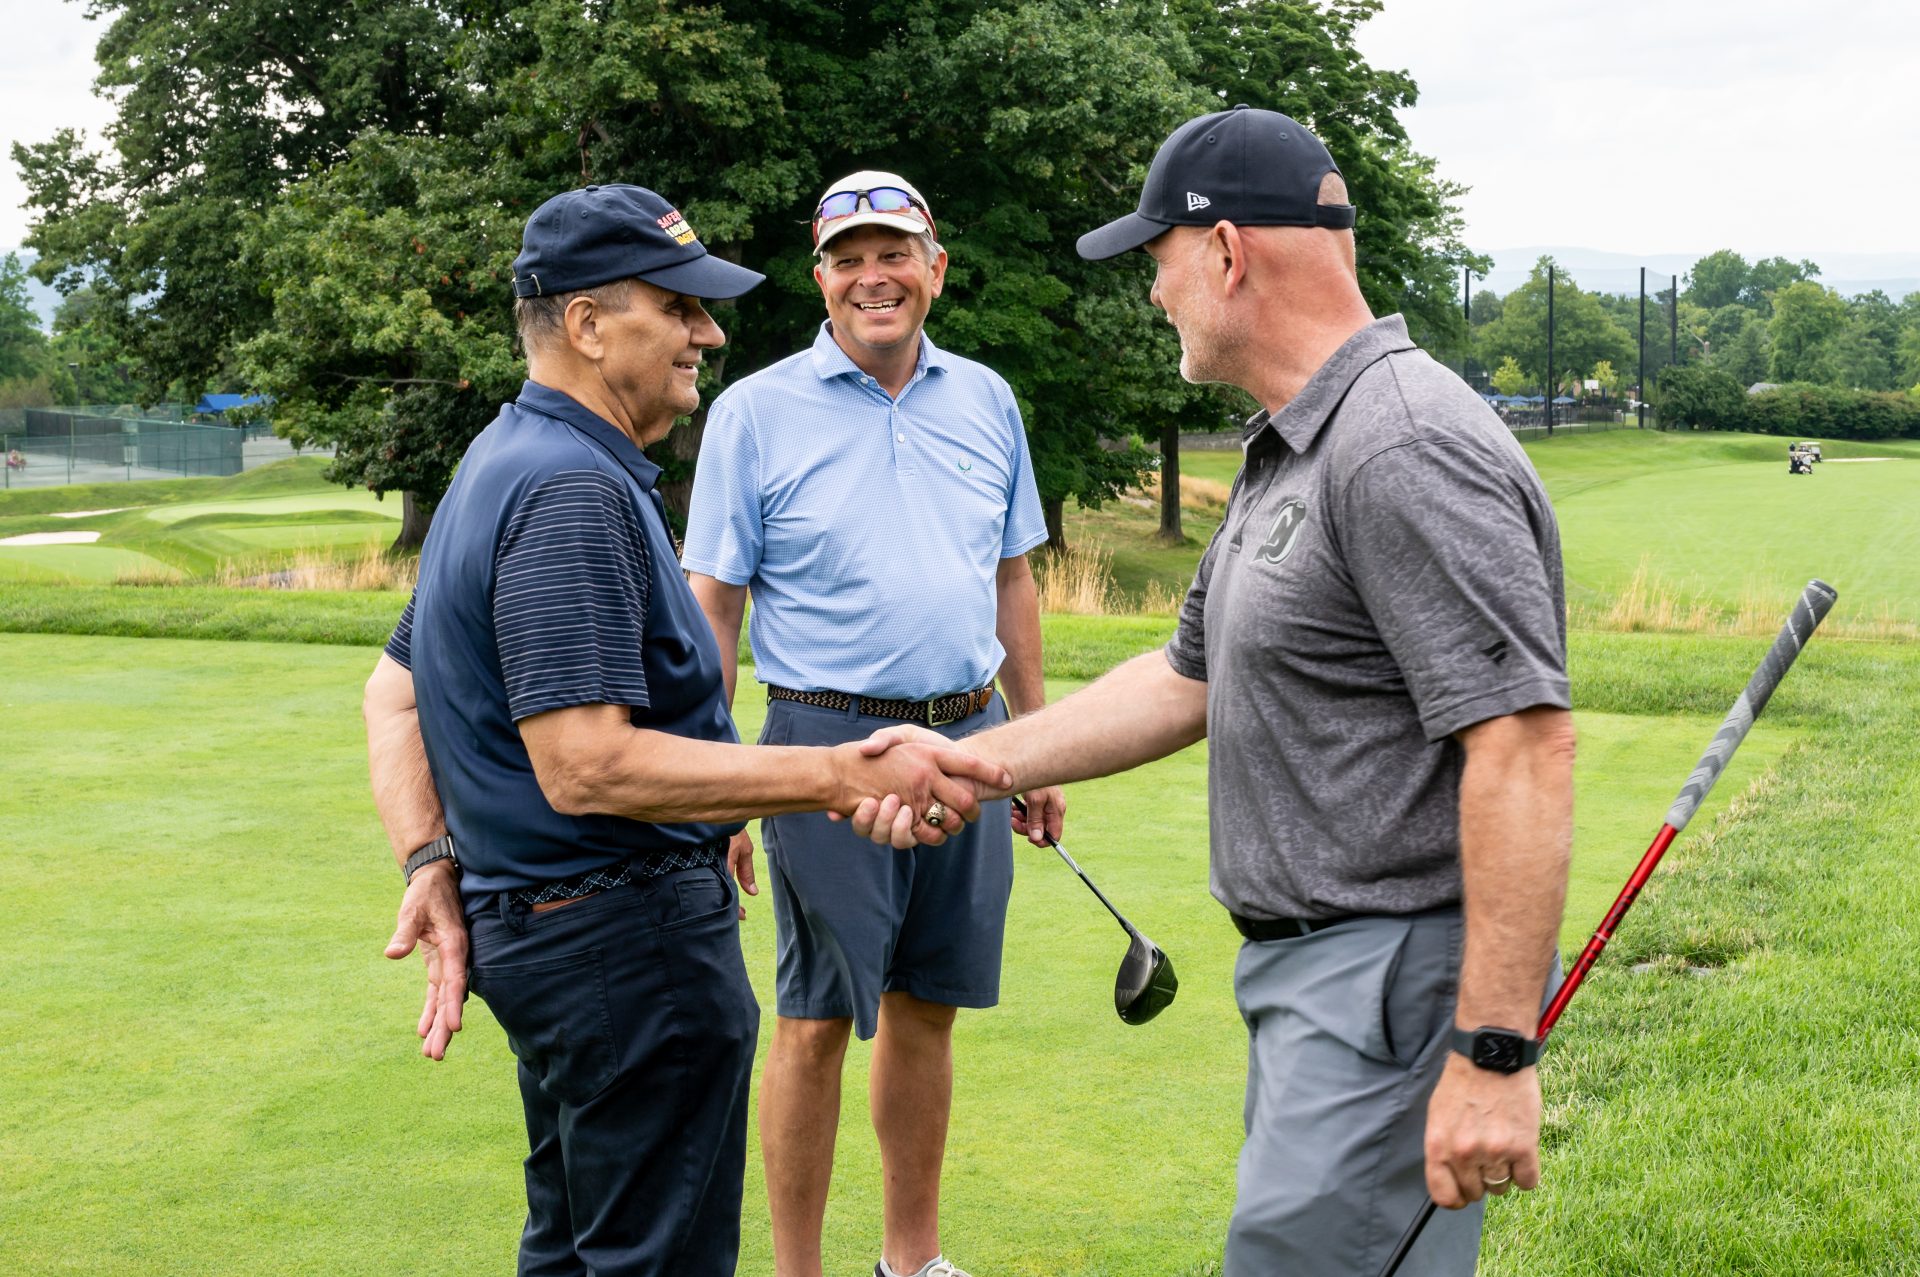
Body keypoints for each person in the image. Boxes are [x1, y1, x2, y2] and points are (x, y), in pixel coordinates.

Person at [852, 107, 1575, 1276]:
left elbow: (1524, 746)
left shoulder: (1400, 442)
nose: (1154, 293)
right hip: (1318, 987)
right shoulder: (1293, 444)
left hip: (1387, 984)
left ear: (1228, 251)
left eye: (1160, 259)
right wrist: (983, 762)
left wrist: (1493, 1051)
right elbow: (1186, 675)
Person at [360, 183, 1008, 1277]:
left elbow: (391, 692)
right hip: (624, 953)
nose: (707, 333)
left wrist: (429, 858)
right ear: (586, 323)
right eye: (678, 307)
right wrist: (834, 775)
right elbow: (585, 764)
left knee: (575, 1253)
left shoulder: (504, 456)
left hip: (559, 948)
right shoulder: (570, 489)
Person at [682, 170, 1064, 1277]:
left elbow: (1013, 579)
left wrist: (1036, 745)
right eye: (847, 260)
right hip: (822, 748)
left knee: (927, 1006)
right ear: (821, 280)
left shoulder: (987, 398)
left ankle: (911, 1260)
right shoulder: (755, 411)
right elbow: (715, 607)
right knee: (814, 1018)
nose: (872, 277)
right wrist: (721, 786)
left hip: (970, 742)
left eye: (893, 253)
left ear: (934, 268)